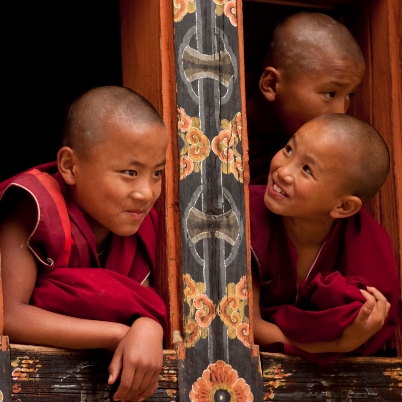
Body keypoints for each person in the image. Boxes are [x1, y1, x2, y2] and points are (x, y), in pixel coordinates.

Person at [0, 86, 169, 401]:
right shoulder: (34, 207)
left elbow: (140, 305)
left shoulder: (148, 230)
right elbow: (9, 314)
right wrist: (121, 333)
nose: (146, 193)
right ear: (69, 166)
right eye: (130, 172)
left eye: (157, 173)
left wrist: (149, 327)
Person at [250, 113, 399, 366]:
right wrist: (338, 345)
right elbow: (249, 326)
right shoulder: (245, 214)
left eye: (307, 169)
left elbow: (372, 324)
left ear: (343, 206)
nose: (283, 171)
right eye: (288, 149)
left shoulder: (366, 242)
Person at [246, 11, 366, 184]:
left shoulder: (298, 150)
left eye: (349, 95)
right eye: (330, 94)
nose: (341, 114)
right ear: (271, 84)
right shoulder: (214, 104)